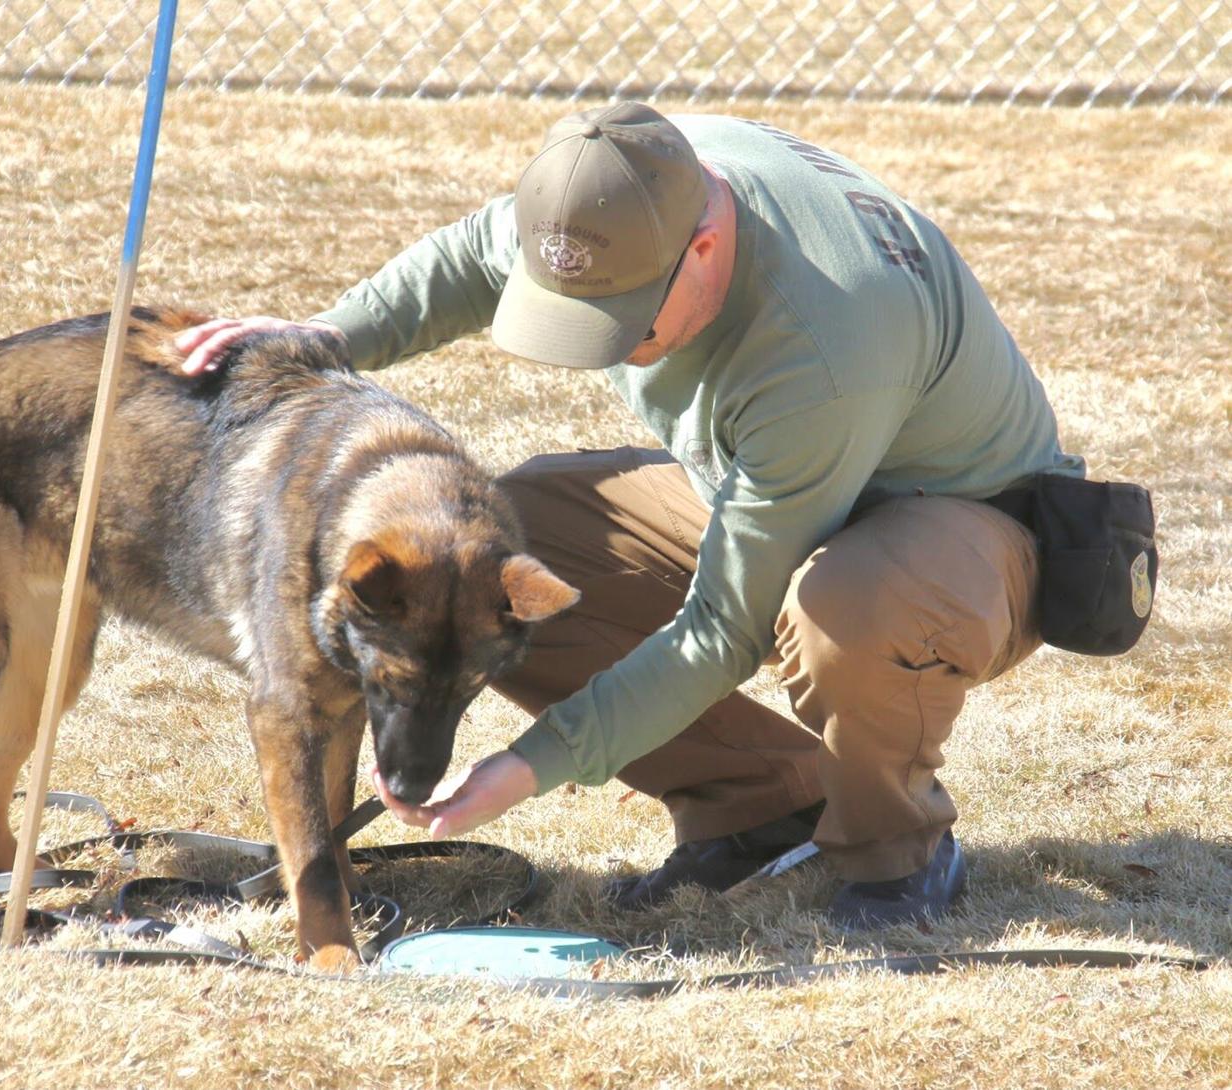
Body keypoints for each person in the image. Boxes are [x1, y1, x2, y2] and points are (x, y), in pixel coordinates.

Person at [175, 102, 1084, 928]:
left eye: (622, 323)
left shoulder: (824, 344)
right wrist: (320, 340)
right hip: (768, 479)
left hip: (963, 534)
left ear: (703, 252)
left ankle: (899, 856)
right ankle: (761, 805)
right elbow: (463, 259)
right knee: (512, 555)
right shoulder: (617, 189)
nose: (603, 347)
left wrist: (525, 768)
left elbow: (719, 631)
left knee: (845, 603)